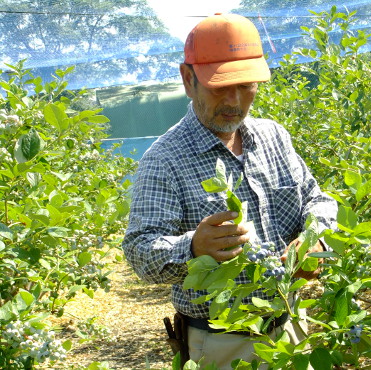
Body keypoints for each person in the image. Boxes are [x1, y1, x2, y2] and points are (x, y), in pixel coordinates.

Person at [122, 13, 338, 369]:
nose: (235, 101)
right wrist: (191, 247)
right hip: (221, 344)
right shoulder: (164, 160)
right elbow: (139, 251)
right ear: (188, 80)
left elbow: (318, 200)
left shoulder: (274, 137)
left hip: (290, 325)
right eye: (220, 85)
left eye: (247, 85)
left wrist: (316, 238)